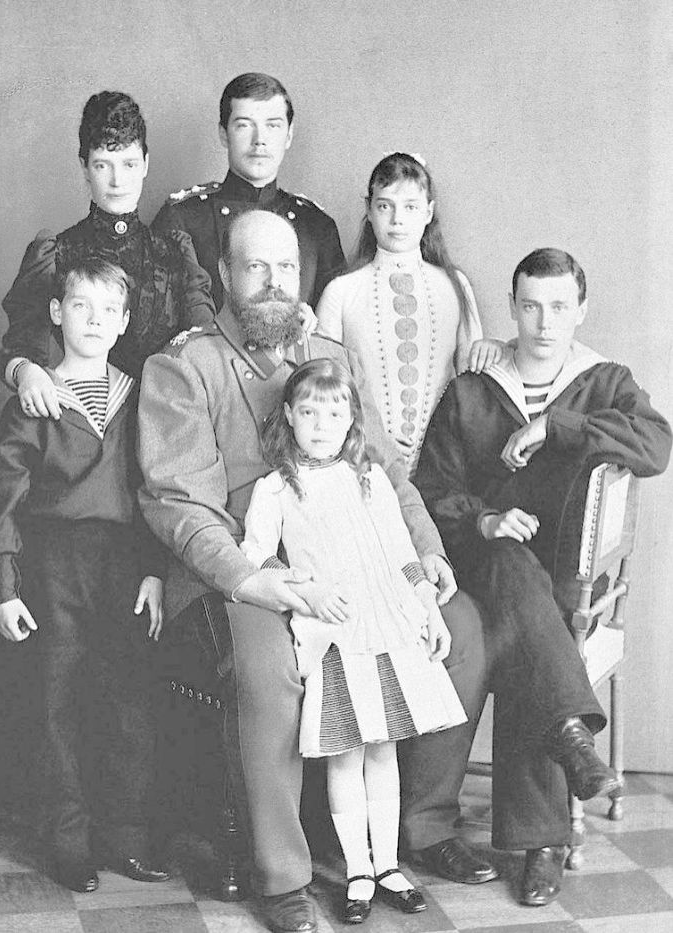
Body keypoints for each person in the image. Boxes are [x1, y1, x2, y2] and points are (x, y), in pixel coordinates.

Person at [137, 209, 487, 933]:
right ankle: (285, 875)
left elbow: (389, 473)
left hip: (357, 561)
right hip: (241, 567)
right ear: (225, 274)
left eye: (287, 267)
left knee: (462, 629)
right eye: (256, 267)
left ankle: (411, 832)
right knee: (271, 670)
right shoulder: (186, 365)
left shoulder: (329, 355)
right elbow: (180, 503)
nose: (274, 282)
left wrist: (427, 554)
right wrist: (251, 579)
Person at [412, 247, 672, 907]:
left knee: (527, 620)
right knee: (514, 575)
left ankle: (545, 786)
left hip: (563, 576)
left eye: (559, 306)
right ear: (512, 306)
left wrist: (558, 426)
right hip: (478, 563)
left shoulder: (603, 381)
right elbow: (431, 488)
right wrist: (486, 520)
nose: (544, 321)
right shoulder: (474, 388)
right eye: (530, 305)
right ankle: (549, 820)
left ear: (581, 307)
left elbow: (655, 445)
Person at [241, 358, 467, 923]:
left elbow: (402, 552)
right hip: (333, 632)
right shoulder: (276, 488)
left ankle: (388, 865)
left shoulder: (370, 479)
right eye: (309, 413)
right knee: (346, 754)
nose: (322, 425)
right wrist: (306, 590)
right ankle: (358, 872)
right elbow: (257, 554)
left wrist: (428, 611)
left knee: (383, 750)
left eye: (335, 414)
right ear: (288, 415)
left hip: (386, 626)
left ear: (352, 421)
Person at [0, 259, 171, 893]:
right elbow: (2, 500)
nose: (94, 320)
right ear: (57, 314)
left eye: (108, 310)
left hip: (124, 565)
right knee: (54, 703)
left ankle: (125, 836)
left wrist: (155, 572)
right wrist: (4, 589)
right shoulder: (36, 399)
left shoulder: (139, 396)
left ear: (125, 322)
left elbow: (154, 491)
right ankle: (67, 840)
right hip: (52, 564)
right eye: (80, 306)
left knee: (128, 703)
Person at [0, 90, 214, 419]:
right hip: (81, 424)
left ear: (145, 164)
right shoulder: (56, 253)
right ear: (84, 167)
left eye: (129, 164)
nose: (117, 181)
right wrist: (26, 371)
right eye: (102, 165)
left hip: (163, 425)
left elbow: (204, 348)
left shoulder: (175, 254)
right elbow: (18, 347)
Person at [315, 152, 484, 474]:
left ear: (428, 212)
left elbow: (472, 383)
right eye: (384, 206)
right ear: (369, 210)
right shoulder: (341, 291)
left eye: (410, 207)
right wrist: (371, 437)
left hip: (443, 462)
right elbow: (323, 388)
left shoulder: (454, 286)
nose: (397, 220)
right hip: (362, 460)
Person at [152, 72, 345, 309]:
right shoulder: (183, 218)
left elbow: (334, 321)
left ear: (289, 135)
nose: (259, 140)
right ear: (224, 134)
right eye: (244, 125)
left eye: (272, 125)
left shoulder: (316, 226)